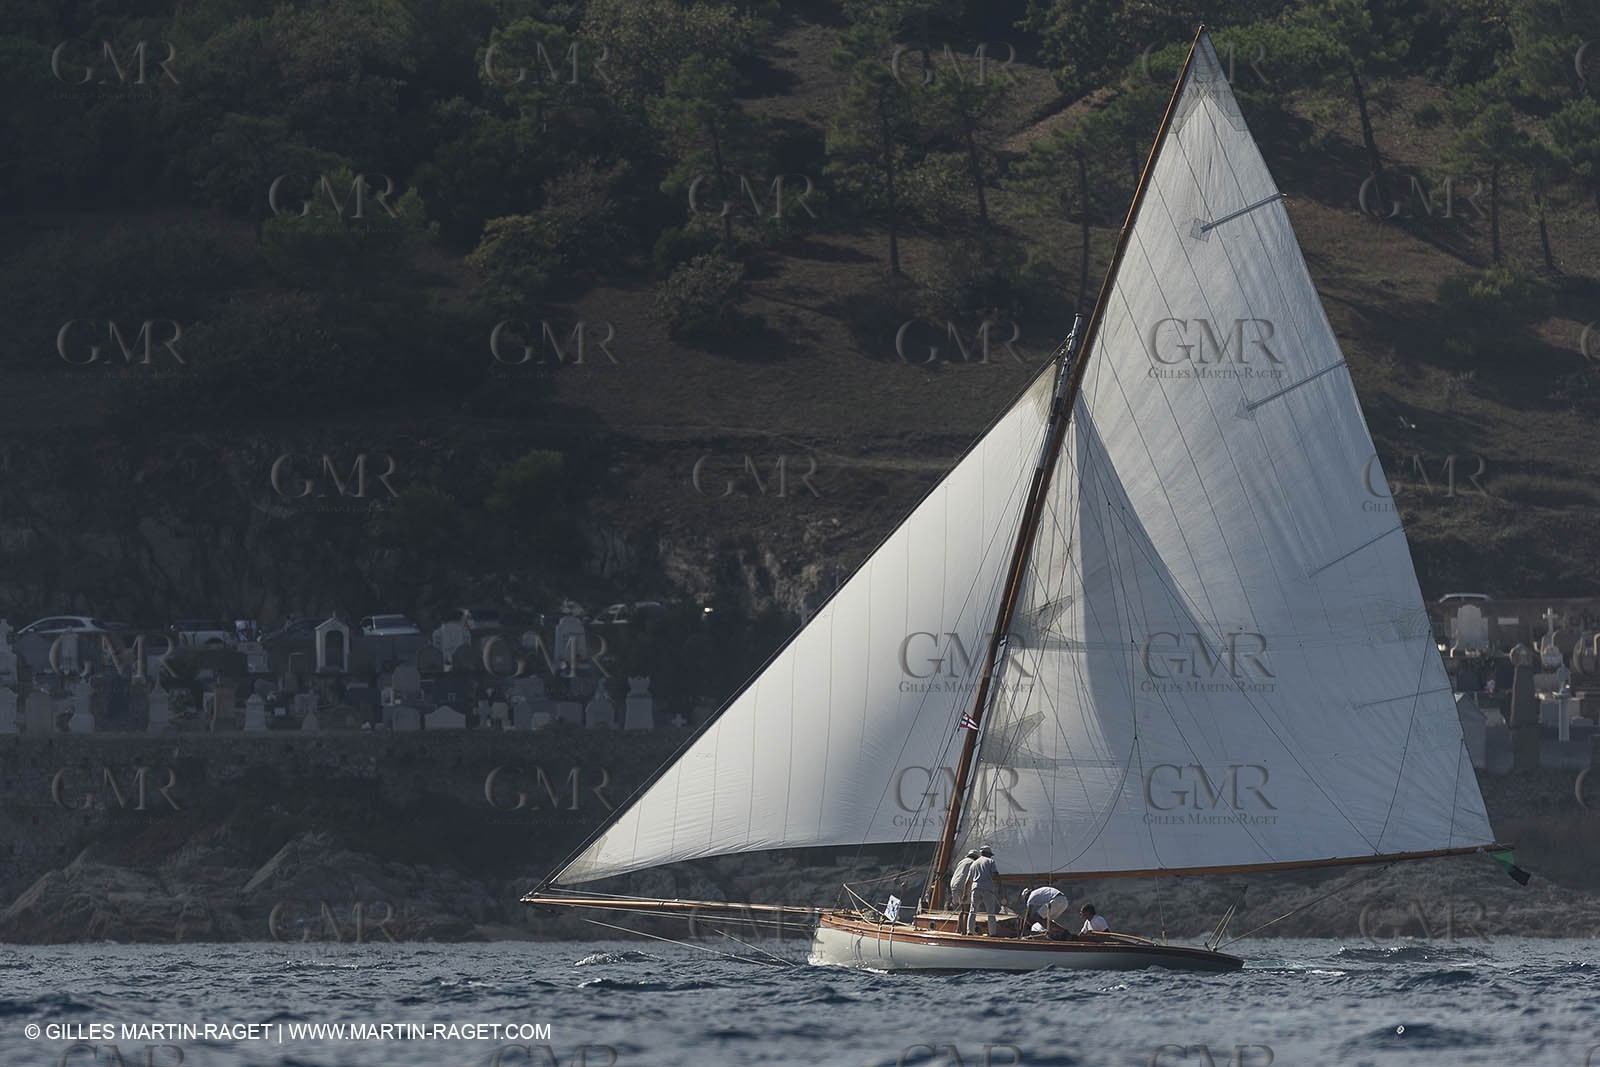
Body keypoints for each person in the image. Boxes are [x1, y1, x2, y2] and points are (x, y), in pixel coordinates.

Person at [968, 845, 1001, 937]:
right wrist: (999, 885)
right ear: (987, 854)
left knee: (972, 910)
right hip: (987, 889)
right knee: (990, 911)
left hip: (975, 888)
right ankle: (992, 933)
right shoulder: (990, 861)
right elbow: (995, 874)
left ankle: (969, 931)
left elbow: (968, 881)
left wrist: (964, 894)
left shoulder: (974, 863)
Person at [949, 849, 979, 934]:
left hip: (954, 884)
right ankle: (965, 932)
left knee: (962, 910)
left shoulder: (961, 861)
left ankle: (958, 929)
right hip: (963, 886)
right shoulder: (973, 863)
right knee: (967, 910)